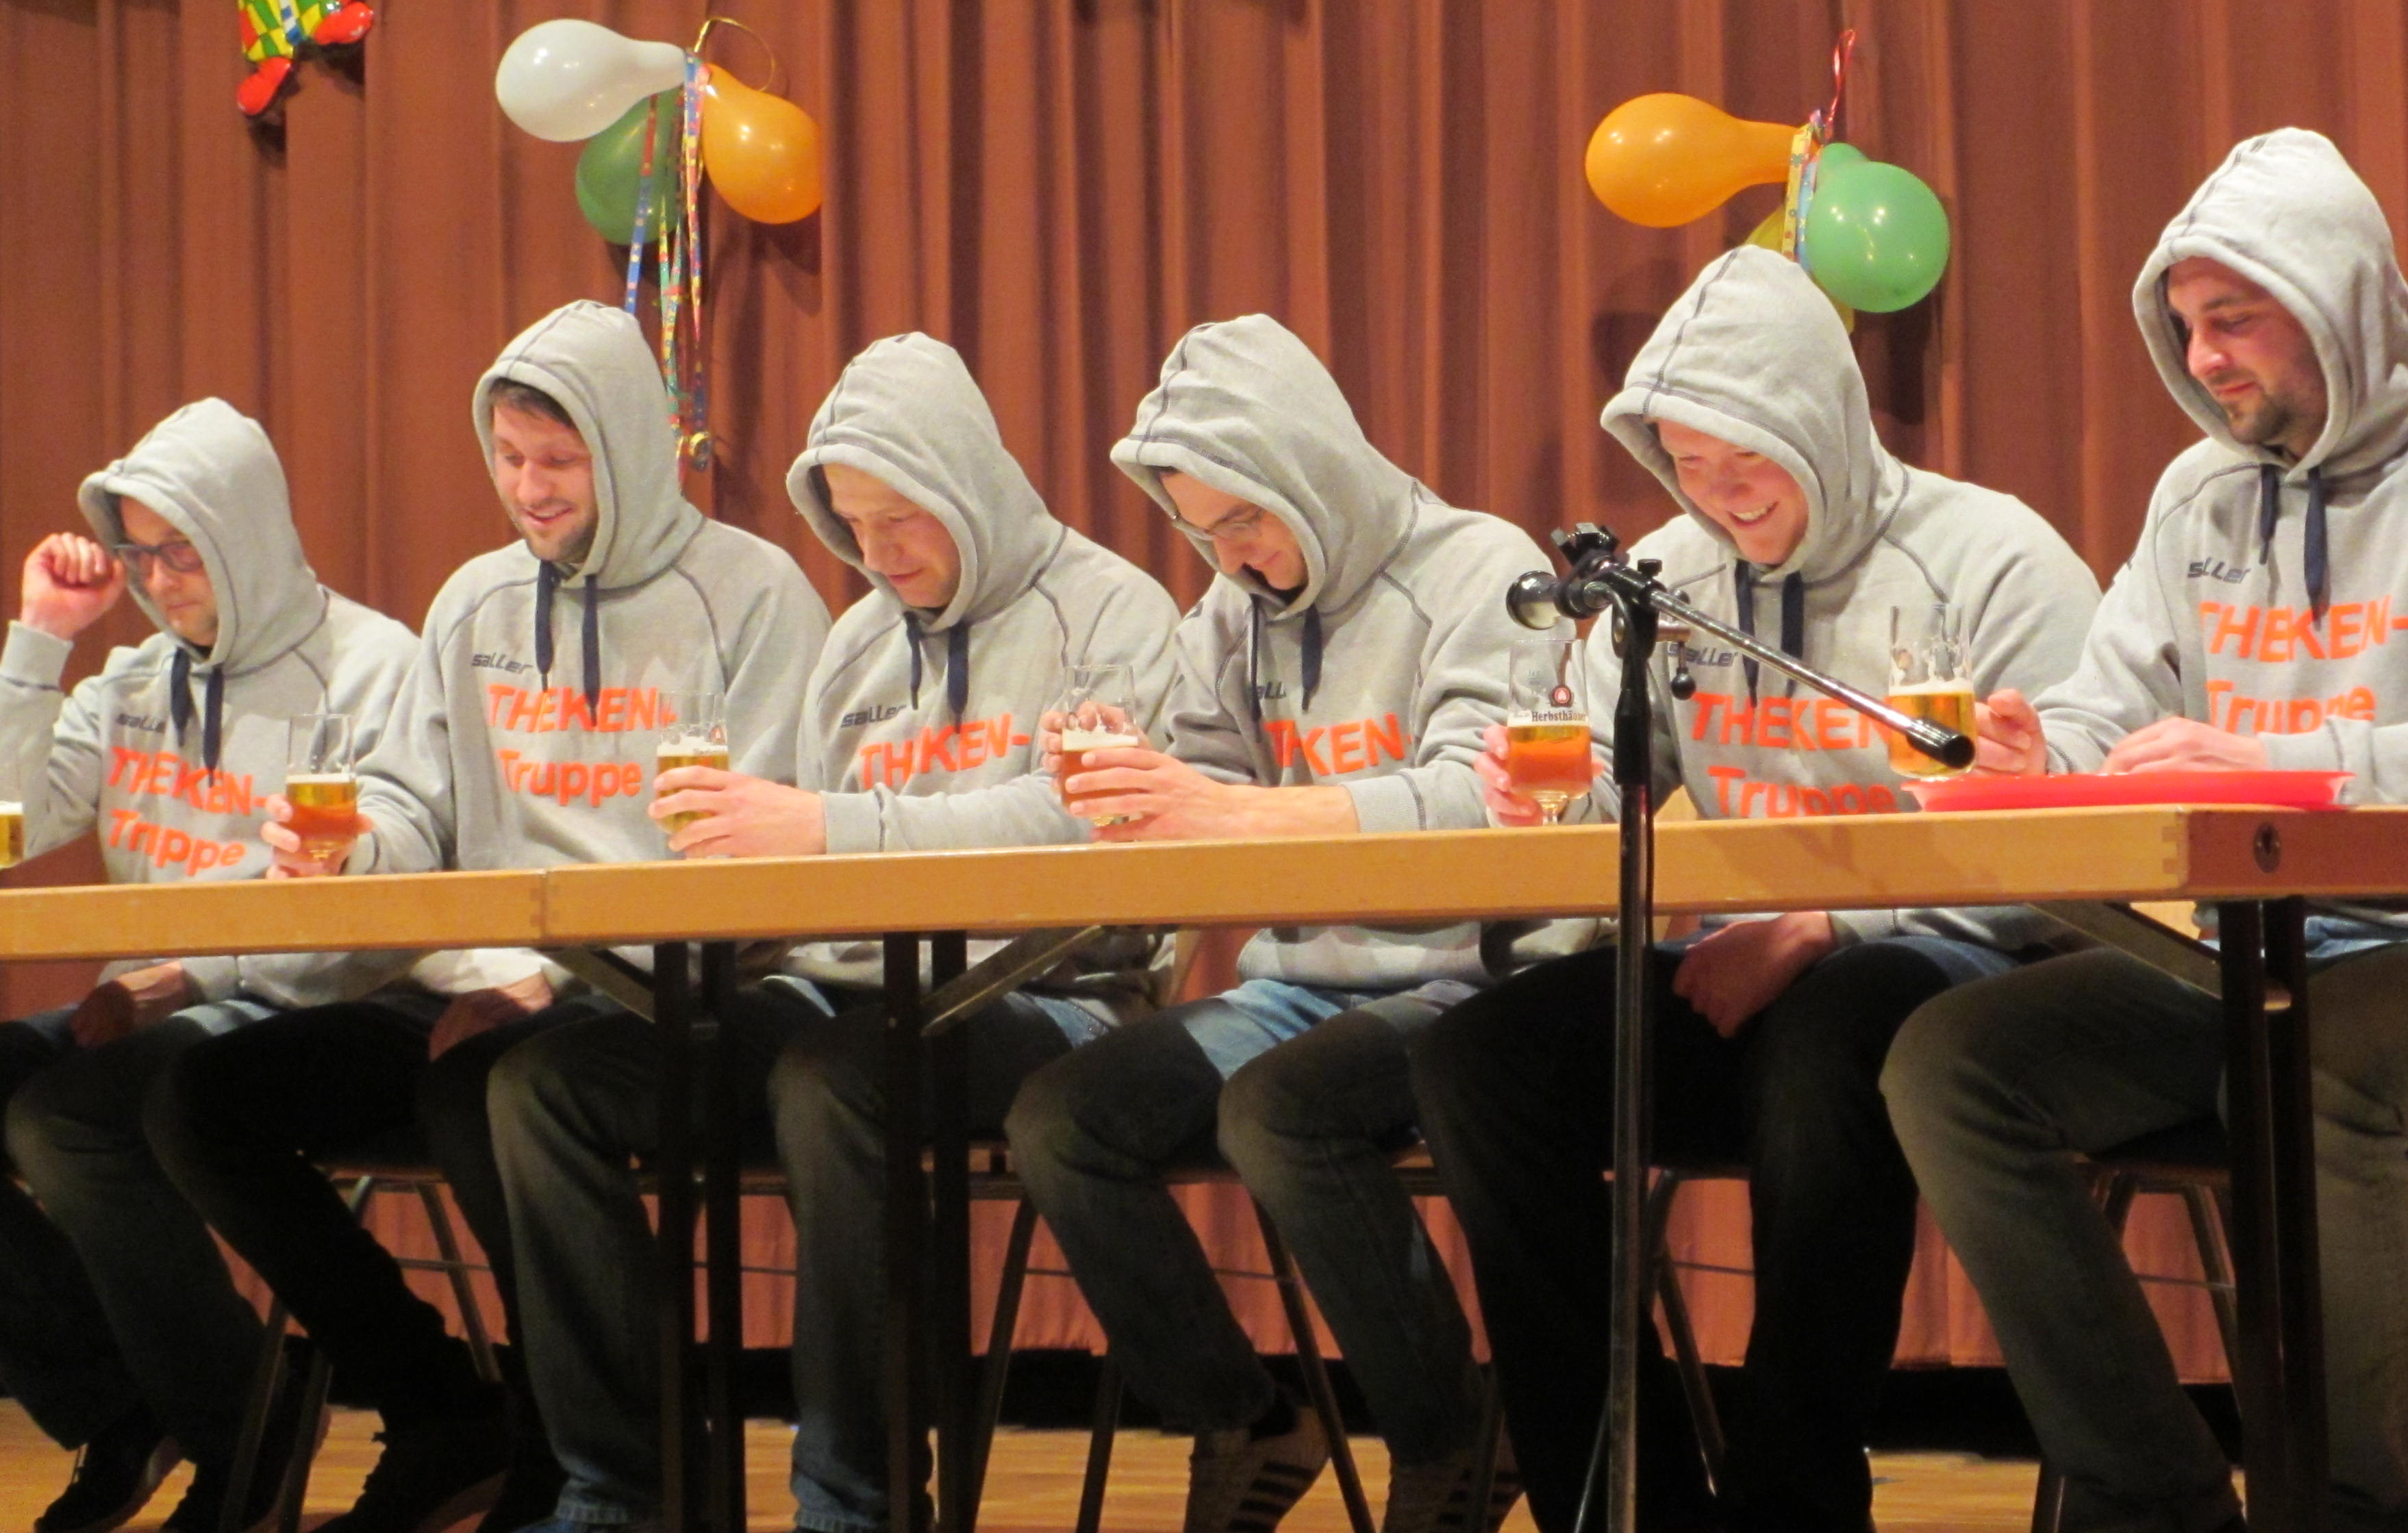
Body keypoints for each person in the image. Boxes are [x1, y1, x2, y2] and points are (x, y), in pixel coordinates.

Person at [1880, 128, 2408, 1533]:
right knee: (1953, 1060)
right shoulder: (2197, 496)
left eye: (2233, 318)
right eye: (2185, 325)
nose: (2202, 356)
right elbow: (2109, 713)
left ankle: (2342, 1511)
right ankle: (2151, 1497)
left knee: (2305, 1061)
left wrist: (2287, 761)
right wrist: (2036, 752)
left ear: (2337, 298)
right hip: (2247, 957)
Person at [1408, 246, 2100, 1533]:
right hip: (1744, 975)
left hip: (1951, 968)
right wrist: (1541, 790)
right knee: (1480, 1061)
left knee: (1835, 1021)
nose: (1721, 498)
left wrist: (1828, 922)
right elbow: (1602, 764)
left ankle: (1795, 1501)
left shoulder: (1994, 555)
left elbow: (2069, 840)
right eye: (1689, 467)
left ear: (1822, 427)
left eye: (1750, 462)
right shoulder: (1667, 578)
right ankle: (1625, 1502)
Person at [140, 301, 829, 1533]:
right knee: (202, 1098)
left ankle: (612, 1467)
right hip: (482, 982)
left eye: (559, 460)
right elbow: (416, 801)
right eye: (508, 458)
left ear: (629, 449)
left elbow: (765, 846)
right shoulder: (475, 601)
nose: (528, 489)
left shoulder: (752, 591)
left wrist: (557, 976)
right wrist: (358, 849)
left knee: (489, 1091)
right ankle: (438, 1406)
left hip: (675, 995)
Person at [483, 333, 1183, 1533]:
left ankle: (854, 1502)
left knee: (831, 1081)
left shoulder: (1110, 609)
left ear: (971, 484)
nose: (878, 552)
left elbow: (1080, 821)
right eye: (853, 526)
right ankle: (623, 1486)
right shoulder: (860, 640)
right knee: (545, 1087)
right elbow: (805, 862)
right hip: (853, 988)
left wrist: (826, 827)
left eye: (901, 518)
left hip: (1056, 998)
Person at [1005, 314, 1587, 1533]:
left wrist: (1219, 810)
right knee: (1061, 1122)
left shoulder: (1481, 570)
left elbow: (1474, 800)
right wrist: (1124, 780)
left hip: (1470, 976)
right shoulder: (1230, 613)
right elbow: (1200, 787)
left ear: (1309, 468)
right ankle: (1247, 1417)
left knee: (1278, 1111)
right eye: (1204, 533)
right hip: (1297, 982)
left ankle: (1451, 1439)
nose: (1234, 556)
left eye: (1247, 519)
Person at [0, 401, 418, 1533]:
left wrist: (190, 972)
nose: (158, 580)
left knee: (61, 1117)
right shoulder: (132, 681)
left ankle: (244, 1422)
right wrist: (41, 639)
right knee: (42, 1094)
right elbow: (6, 823)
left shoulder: (373, 663)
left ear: (248, 532)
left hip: (308, 1002)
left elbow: (390, 890)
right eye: (138, 555)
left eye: (180, 551)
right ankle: (119, 1403)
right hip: (151, 1001)